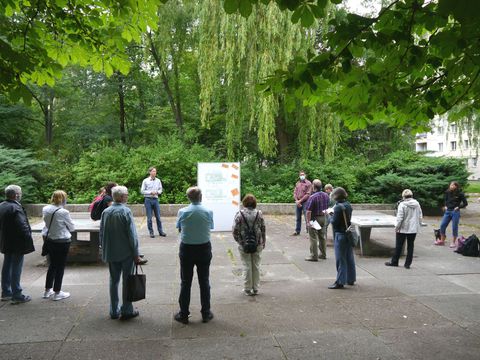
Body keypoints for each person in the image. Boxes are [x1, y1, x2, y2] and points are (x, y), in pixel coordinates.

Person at [100, 186, 142, 320]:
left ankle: (113, 311)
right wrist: (136, 254)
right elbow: (132, 235)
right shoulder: (125, 211)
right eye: (127, 195)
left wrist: (104, 250)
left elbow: (102, 233)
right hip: (126, 253)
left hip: (111, 252)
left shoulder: (106, 212)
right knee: (127, 281)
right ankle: (127, 310)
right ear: (122, 197)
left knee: (113, 281)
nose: (128, 196)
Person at [174, 186, 214, 324]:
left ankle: (183, 314)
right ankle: (206, 313)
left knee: (185, 282)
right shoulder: (208, 211)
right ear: (201, 196)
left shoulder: (182, 212)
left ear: (188, 198)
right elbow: (210, 227)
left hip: (187, 249)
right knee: (204, 281)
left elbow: (179, 227)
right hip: (204, 248)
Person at [0, 185, 34, 304]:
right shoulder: (16, 208)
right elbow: (22, 226)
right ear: (16, 195)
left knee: (7, 265)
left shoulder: (2, 206)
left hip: (6, 241)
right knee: (16, 267)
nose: (21, 194)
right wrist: (28, 238)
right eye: (20, 193)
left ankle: (6, 292)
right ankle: (17, 294)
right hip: (17, 243)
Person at [41, 190, 75, 300]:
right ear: (63, 199)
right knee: (60, 267)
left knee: (52, 265)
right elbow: (72, 227)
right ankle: (57, 292)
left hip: (50, 240)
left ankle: (47, 290)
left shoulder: (45, 209)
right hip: (62, 241)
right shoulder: (63, 212)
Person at [233, 194, 266, 296]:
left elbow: (235, 230)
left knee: (246, 265)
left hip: (244, 243)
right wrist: (263, 241)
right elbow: (263, 228)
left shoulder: (239, 215)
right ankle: (255, 288)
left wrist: (240, 241)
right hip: (257, 243)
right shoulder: (259, 214)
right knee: (256, 265)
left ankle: (247, 288)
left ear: (244, 202)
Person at [385, 189, 423, 269]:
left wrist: (397, 227)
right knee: (410, 245)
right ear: (412, 195)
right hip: (413, 229)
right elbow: (420, 216)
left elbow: (400, 218)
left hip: (402, 228)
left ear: (403, 196)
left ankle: (394, 262)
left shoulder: (402, 204)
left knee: (399, 245)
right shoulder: (417, 204)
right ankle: (407, 264)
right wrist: (418, 225)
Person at [328, 187, 356, 289]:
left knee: (340, 259)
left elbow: (334, 223)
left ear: (336, 196)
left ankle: (340, 281)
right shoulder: (348, 205)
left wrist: (330, 215)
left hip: (340, 235)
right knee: (349, 257)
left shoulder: (337, 207)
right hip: (348, 233)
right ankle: (351, 279)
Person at [436, 181, 468, 247]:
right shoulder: (447, 192)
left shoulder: (460, 194)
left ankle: (453, 242)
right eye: (450, 185)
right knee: (442, 225)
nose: (451, 186)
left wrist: (458, 207)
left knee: (454, 227)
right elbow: (445, 200)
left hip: (455, 212)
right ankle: (442, 240)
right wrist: (445, 206)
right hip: (448, 211)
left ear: (456, 186)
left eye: (452, 185)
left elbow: (465, 203)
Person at [304, 180, 330, 261]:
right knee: (322, 237)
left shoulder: (313, 197)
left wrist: (308, 222)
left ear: (314, 187)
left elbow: (308, 211)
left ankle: (314, 256)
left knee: (313, 237)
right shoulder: (326, 195)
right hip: (323, 218)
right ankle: (323, 254)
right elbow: (327, 207)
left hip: (315, 219)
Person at [141, 167, 166, 238]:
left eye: (155, 171)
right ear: (150, 172)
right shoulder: (145, 181)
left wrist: (157, 192)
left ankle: (161, 231)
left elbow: (160, 189)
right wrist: (150, 192)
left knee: (158, 217)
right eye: (153, 171)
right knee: (149, 218)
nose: (154, 173)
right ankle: (151, 232)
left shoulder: (158, 180)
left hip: (155, 199)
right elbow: (142, 191)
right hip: (148, 199)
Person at [292, 171, 311, 236]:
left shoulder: (308, 183)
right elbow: (294, 193)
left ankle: (309, 231)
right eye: (301, 175)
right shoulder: (297, 183)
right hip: (298, 202)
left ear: (305, 175)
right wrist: (297, 201)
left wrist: (299, 201)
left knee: (307, 217)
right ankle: (297, 231)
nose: (302, 176)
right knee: (298, 217)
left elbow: (308, 194)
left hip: (305, 202)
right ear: (299, 176)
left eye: (303, 174)